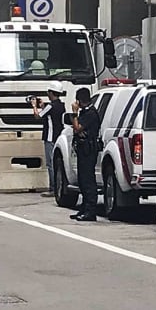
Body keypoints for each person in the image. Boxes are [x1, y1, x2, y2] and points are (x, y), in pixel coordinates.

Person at [70, 88, 101, 222]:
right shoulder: (86, 112)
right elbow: (77, 130)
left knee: (88, 180)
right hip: (82, 149)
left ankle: (90, 211)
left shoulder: (91, 113)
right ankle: (84, 208)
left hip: (89, 149)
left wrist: (74, 114)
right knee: (82, 180)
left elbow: (77, 128)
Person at [32, 83, 66, 197]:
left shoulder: (50, 106)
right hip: (59, 136)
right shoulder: (61, 105)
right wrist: (43, 106)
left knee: (50, 164)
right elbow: (50, 115)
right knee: (56, 163)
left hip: (50, 137)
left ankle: (52, 189)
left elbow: (38, 116)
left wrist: (34, 106)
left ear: (51, 93)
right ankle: (57, 187)